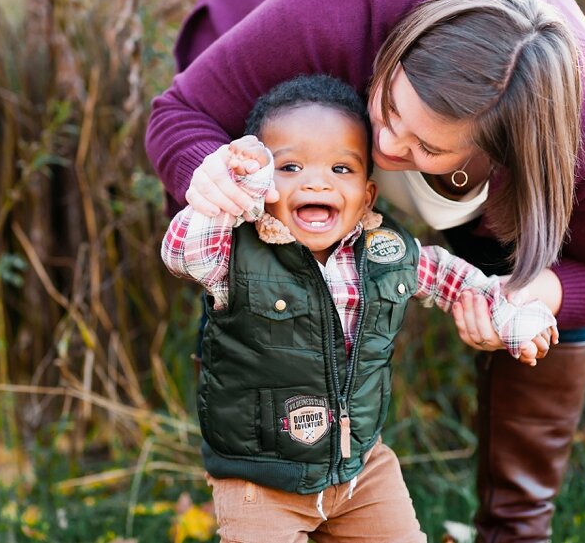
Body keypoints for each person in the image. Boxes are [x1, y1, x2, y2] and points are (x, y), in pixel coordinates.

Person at [146, 0, 585, 542]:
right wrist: (216, 176)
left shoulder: (584, 127)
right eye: (388, 111)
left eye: (425, 147)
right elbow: (180, 115)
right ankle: (266, 487)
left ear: (499, 155)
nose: (388, 148)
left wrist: (527, 295)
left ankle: (516, 530)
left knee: (538, 267)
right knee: (263, 259)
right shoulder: (343, 3)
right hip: (287, 33)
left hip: (474, 130)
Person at [161, 75, 558, 542]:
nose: (316, 181)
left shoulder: (385, 253)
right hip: (260, 478)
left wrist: (514, 319)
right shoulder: (236, 254)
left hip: (361, 468)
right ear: (262, 185)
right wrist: (226, 188)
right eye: (289, 168)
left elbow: (461, 283)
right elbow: (184, 253)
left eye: (341, 169)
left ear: (368, 195)